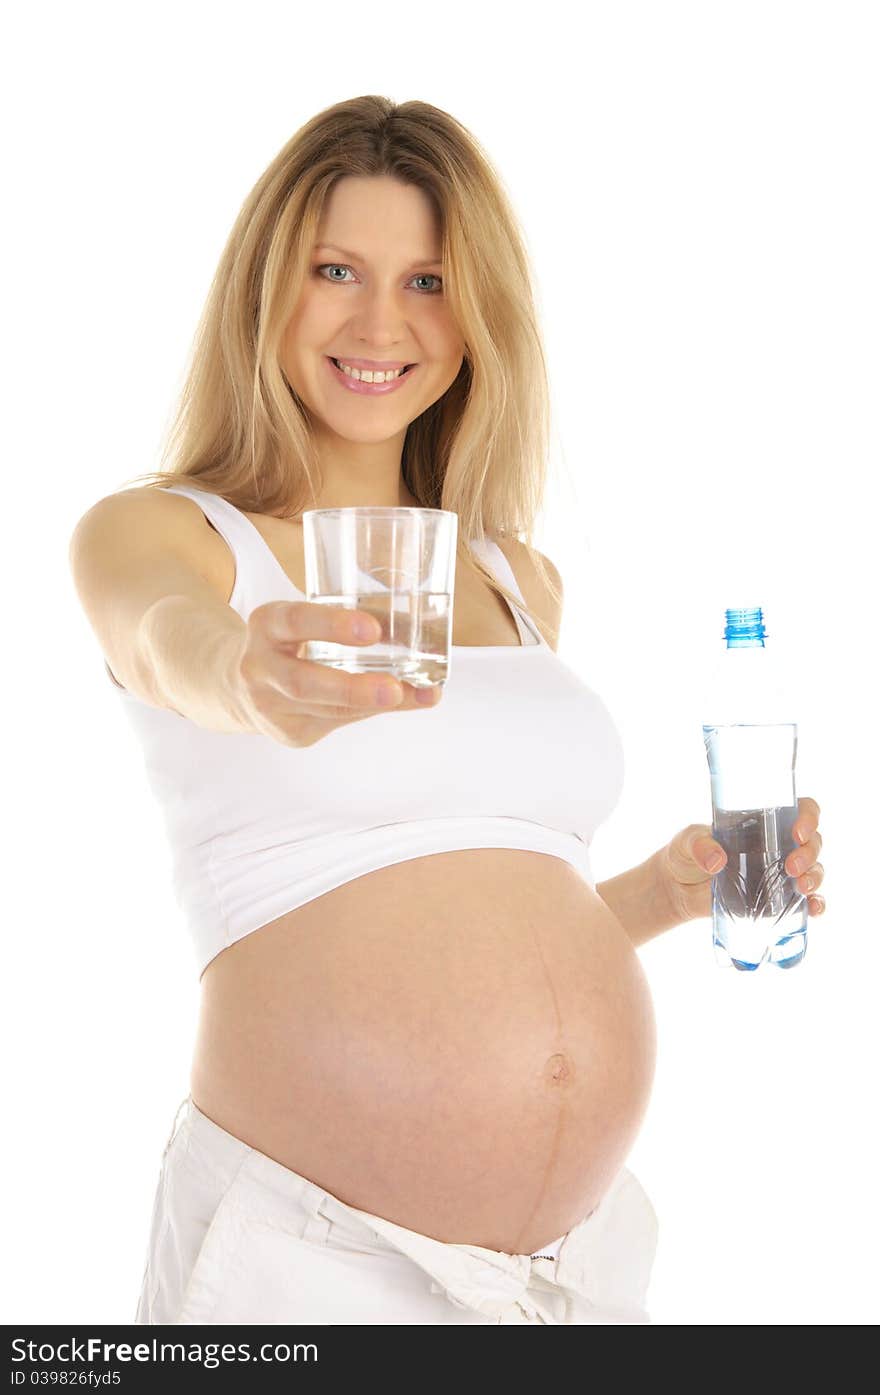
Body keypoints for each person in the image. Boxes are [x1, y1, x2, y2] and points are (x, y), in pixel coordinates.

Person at [68, 95, 826, 1326]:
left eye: (429, 280)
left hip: (567, 1273)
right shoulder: (171, 534)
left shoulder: (516, 579)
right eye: (335, 270)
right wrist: (240, 669)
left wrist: (660, 896)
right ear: (266, 286)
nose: (381, 322)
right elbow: (162, 636)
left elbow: (464, 884)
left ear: (478, 317)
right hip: (305, 1259)